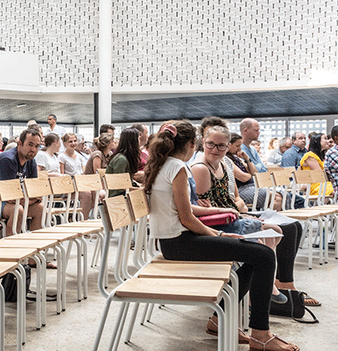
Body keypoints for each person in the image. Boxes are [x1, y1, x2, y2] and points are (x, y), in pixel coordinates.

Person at [142, 121, 300, 351]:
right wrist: (219, 234)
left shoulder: (163, 164)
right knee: (264, 256)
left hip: (173, 242)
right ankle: (260, 335)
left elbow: (181, 209)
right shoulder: (178, 167)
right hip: (181, 243)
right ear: (190, 144)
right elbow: (186, 219)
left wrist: (216, 218)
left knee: (256, 257)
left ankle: (220, 320)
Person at [192, 121, 313, 308]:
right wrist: (237, 211)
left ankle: (266, 287)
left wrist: (239, 209)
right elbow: (209, 208)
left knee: (279, 230)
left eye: (221, 146)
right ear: (203, 143)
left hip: (231, 214)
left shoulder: (224, 163)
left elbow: (232, 196)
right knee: (272, 233)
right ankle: (262, 292)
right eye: (211, 144)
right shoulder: (201, 168)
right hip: (218, 222)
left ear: (227, 147)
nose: (215, 149)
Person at [0, 126, 45, 232]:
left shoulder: (31, 160)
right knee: (17, 210)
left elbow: (35, 192)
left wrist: (33, 197)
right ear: (20, 144)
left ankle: (34, 245)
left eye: (37, 146)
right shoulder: (8, 159)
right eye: (30, 145)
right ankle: (12, 246)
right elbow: (10, 196)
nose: (33, 149)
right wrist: (32, 198)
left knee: (40, 208)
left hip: (5, 200)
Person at [105, 127, 141, 196]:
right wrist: (139, 189)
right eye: (138, 139)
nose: (139, 141)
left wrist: (138, 185)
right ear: (132, 141)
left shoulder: (125, 158)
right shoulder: (121, 159)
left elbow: (127, 181)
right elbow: (120, 185)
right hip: (117, 197)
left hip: (123, 193)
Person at [299, 133, 334, 198]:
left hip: (324, 184)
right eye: (325, 139)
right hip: (315, 185)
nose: (328, 141)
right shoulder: (310, 156)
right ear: (316, 141)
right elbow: (320, 176)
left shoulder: (322, 156)